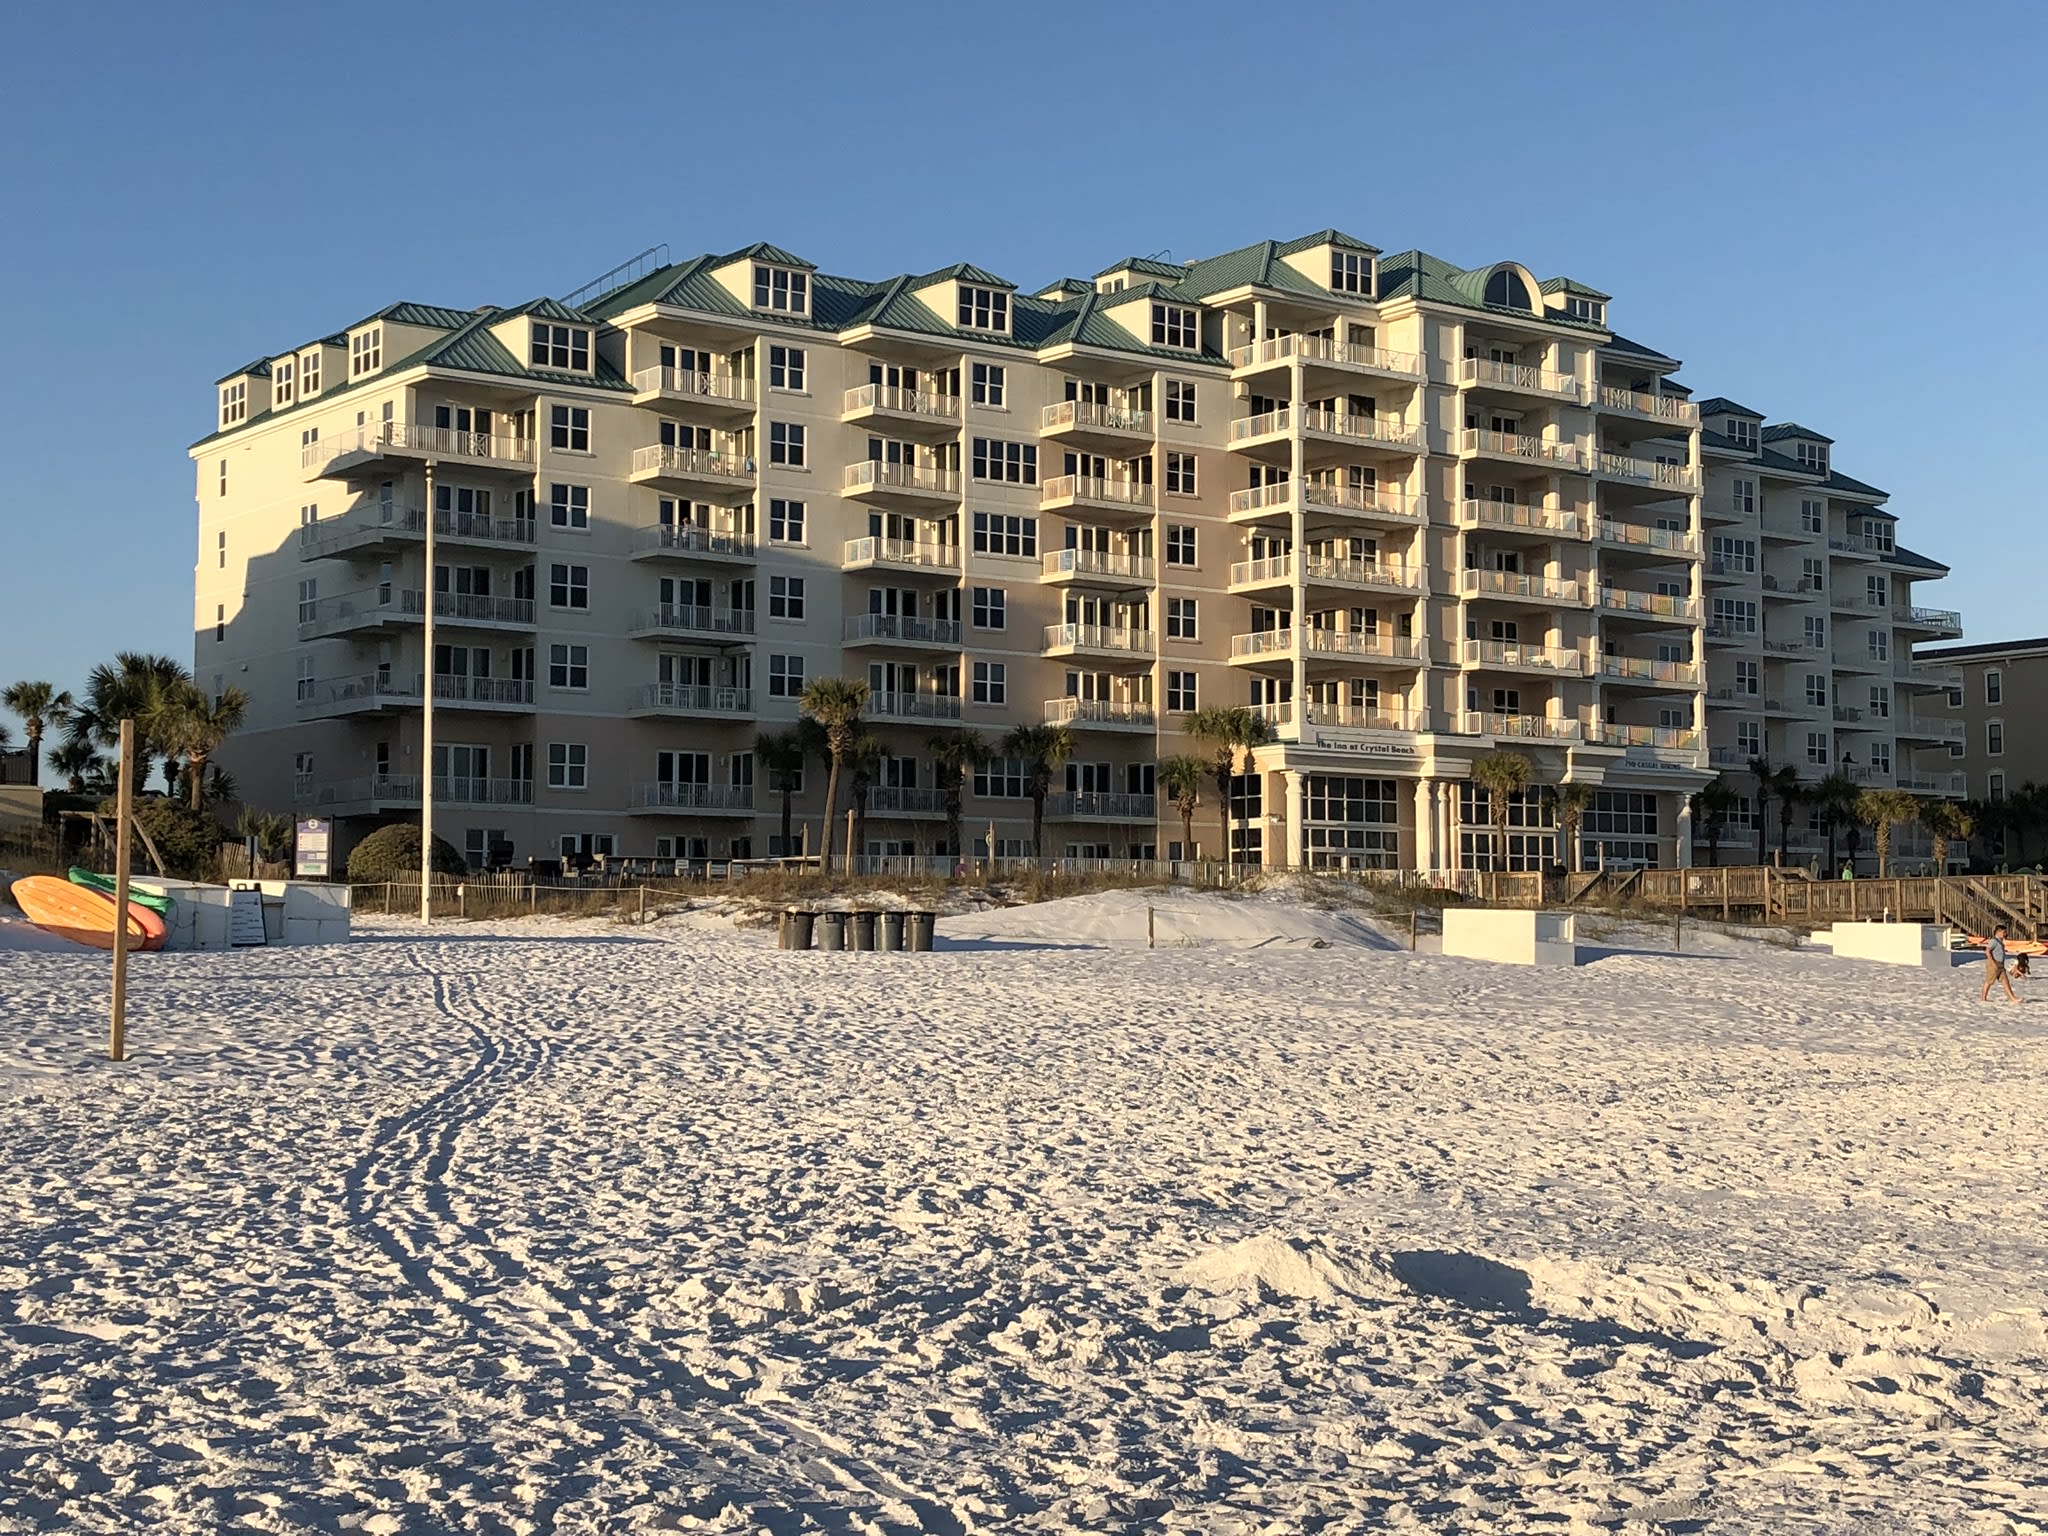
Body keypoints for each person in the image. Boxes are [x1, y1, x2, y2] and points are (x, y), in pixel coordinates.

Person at [1983, 925, 2021, 1004]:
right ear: (1998, 932)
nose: (2005, 934)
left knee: (2005, 981)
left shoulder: (2000, 941)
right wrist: (1992, 961)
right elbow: (1987, 951)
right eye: (2004, 932)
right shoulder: (1994, 941)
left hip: (2000, 964)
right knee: (1989, 981)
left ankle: (2012, 998)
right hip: (1993, 964)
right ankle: (1983, 998)